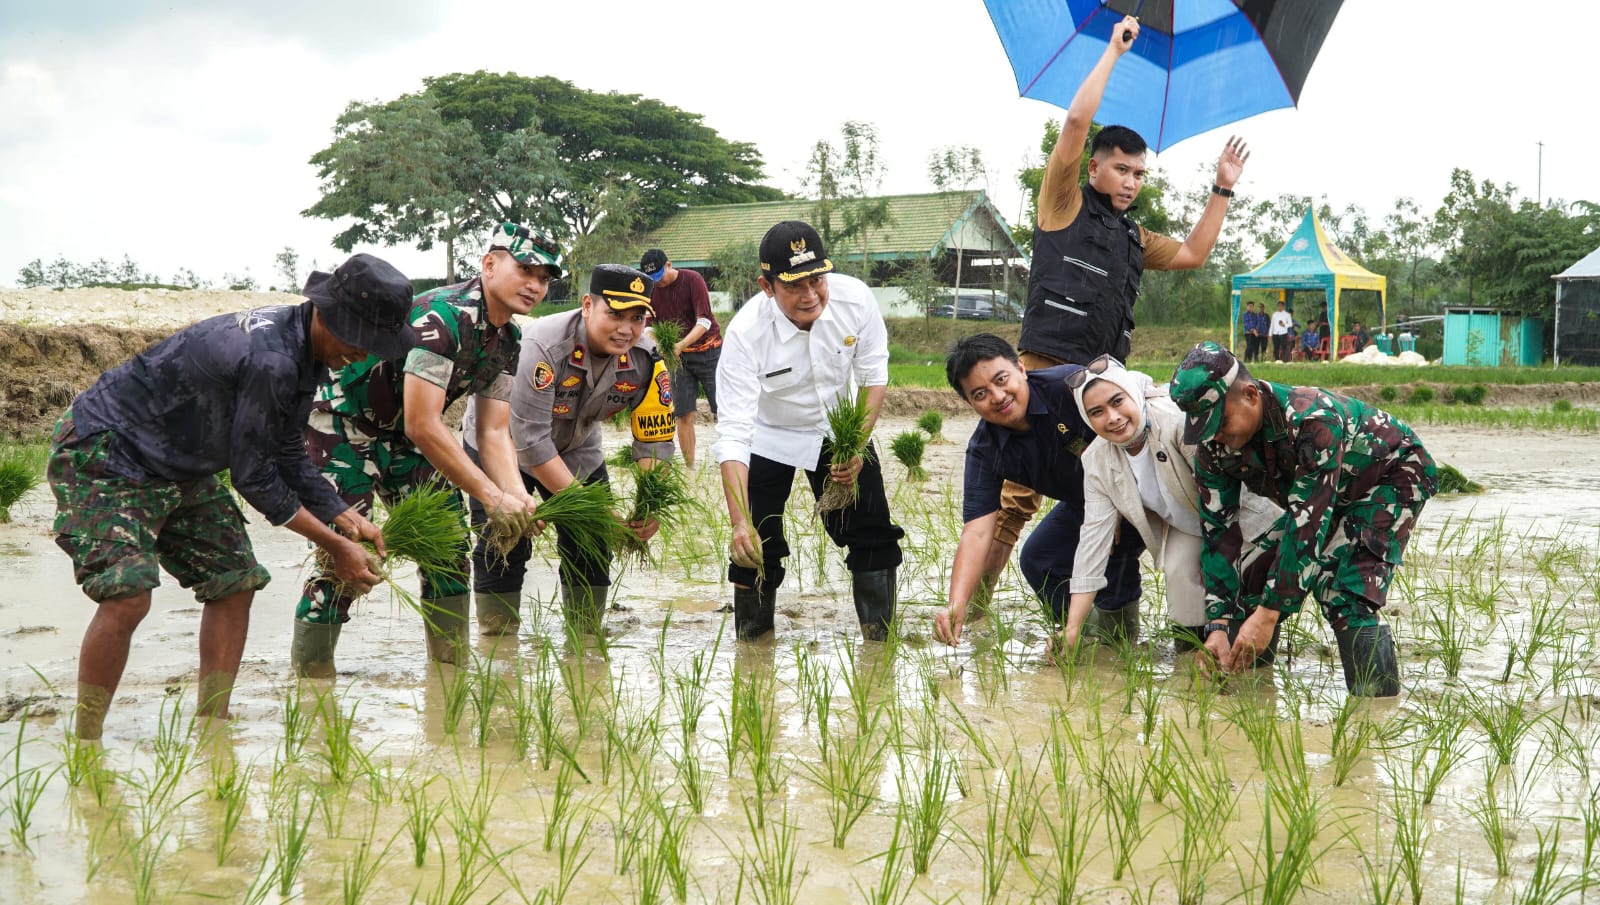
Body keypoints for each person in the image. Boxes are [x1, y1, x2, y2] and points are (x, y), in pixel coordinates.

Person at [49, 254, 415, 739]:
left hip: (179, 461)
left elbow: (286, 448)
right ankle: (86, 741)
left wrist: (343, 515)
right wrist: (336, 545)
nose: (363, 355)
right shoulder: (272, 359)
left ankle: (212, 728)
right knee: (127, 595)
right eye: (360, 340)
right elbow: (254, 478)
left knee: (235, 581)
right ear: (328, 314)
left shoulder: (305, 348)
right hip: (110, 450)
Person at [997, 12, 1250, 574]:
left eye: (1139, 173)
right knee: (1014, 498)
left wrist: (1222, 189)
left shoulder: (1136, 235)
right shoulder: (1063, 203)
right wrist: (1113, 50)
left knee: (1114, 491)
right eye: (1121, 170)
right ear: (1094, 168)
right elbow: (1075, 124)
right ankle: (973, 614)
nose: (1132, 181)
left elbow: (1192, 255)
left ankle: (1107, 604)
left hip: (1101, 384)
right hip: (1044, 366)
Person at [292, 223, 556, 677]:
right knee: (347, 561)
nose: (535, 284)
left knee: (449, 551)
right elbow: (423, 424)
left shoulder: (509, 341)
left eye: (545, 277)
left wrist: (516, 495)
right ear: (490, 264)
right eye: (525, 269)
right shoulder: (441, 317)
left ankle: (449, 677)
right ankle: (312, 683)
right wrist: (490, 498)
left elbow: (493, 432)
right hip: (344, 425)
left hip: (401, 438)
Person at [1169, 342, 1439, 697]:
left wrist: (1267, 616)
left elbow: (1307, 526)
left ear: (1250, 395)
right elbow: (1219, 531)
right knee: (1256, 572)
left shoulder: (1313, 421)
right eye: (1205, 428)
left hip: (1391, 474)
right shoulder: (1214, 448)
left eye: (1220, 423)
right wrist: (1217, 623)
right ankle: (1254, 693)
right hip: (1324, 495)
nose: (1216, 436)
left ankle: (1376, 710)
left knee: (1344, 591)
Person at [714, 220, 905, 641]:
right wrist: (738, 522)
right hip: (769, 435)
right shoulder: (746, 334)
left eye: (817, 279)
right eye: (794, 286)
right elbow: (733, 433)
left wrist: (855, 444)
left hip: (840, 429)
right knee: (756, 544)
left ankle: (879, 645)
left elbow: (874, 375)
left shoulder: (855, 300)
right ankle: (753, 645)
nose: (811, 294)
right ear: (767, 287)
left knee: (872, 530)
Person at [460, 264, 676, 635]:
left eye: (637, 318)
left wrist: (650, 505)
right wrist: (598, 510)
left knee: (591, 542)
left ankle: (586, 638)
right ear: (588, 305)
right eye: (615, 314)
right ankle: (498, 641)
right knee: (506, 541)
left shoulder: (649, 357)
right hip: (502, 445)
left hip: (577, 448)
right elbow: (529, 443)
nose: (626, 329)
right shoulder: (543, 346)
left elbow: (655, 438)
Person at [1055, 355, 1279, 653]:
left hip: (1241, 517)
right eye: (1097, 412)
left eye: (1118, 401)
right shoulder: (1097, 460)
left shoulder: (1176, 423)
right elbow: (1092, 543)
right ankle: (1192, 658)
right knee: (1178, 572)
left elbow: (1232, 493)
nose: (1112, 417)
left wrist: (1215, 556)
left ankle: (1254, 655)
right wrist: (1073, 629)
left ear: (1134, 392)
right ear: (1086, 419)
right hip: (1188, 521)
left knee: (1245, 588)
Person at [932, 336, 1145, 647]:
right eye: (980, 394)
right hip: (1084, 503)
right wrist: (956, 603)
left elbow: (1130, 426)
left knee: (1114, 556)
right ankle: (1084, 637)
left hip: (1142, 488)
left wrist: (1116, 507)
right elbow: (977, 531)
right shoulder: (985, 450)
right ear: (969, 403)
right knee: (1039, 559)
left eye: (1001, 380)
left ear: (1021, 368)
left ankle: (1123, 639)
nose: (998, 396)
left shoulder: (1069, 388)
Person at [639, 249, 720, 469]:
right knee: (683, 414)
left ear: (668, 265)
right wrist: (660, 343)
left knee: (722, 410)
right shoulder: (650, 290)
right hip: (678, 360)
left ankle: (732, 461)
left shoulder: (692, 280)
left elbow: (704, 321)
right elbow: (649, 326)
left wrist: (681, 345)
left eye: (659, 276)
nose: (658, 283)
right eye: (652, 279)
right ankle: (690, 468)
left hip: (709, 353)